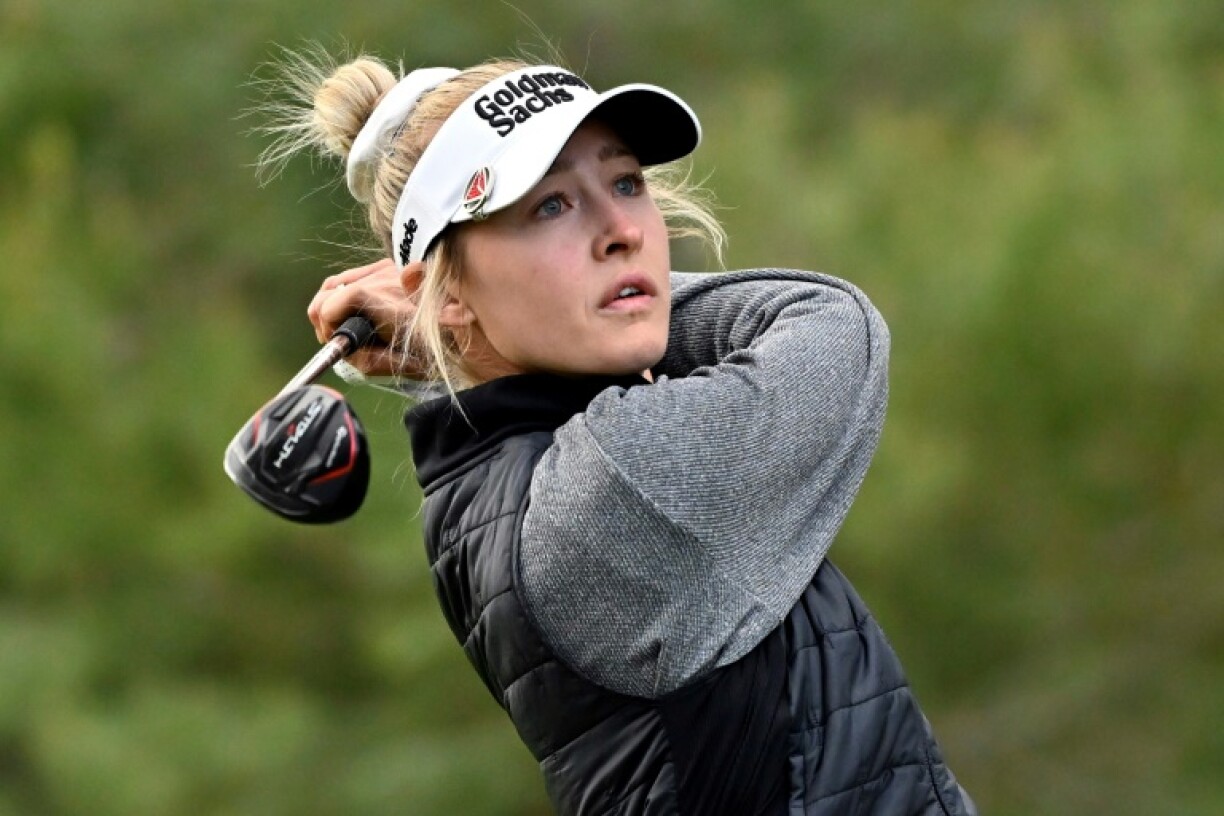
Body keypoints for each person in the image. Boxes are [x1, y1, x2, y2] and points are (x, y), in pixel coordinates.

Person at [259, 49, 978, 816]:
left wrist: (472, 336)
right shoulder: (614, 486)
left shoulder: (509, 480)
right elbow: (831, 326)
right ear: (447, 295)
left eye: (626, 183)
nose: (621, 231)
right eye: (550, 206)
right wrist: (604, 310)